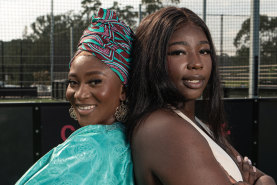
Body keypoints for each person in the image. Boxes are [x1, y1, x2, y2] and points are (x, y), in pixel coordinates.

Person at [126, 6, 276, 185]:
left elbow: (266, 179)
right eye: (178, 52)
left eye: (204, 51)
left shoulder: (196, 123)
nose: (196, 63)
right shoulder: (163, 128)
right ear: (151, 59)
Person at [16, 8, 134, 185]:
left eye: (94, 82)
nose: (80, 94)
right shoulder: (125, 139)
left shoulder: (88, 150)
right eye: (73, 82)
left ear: (123, 90)